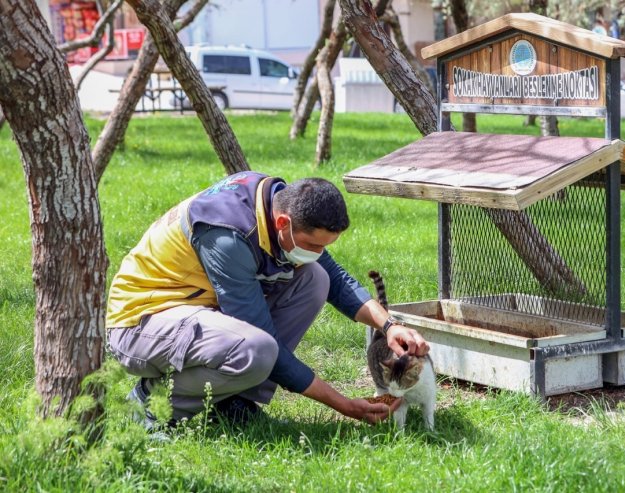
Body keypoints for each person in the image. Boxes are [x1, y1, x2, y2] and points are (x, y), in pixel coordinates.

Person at [106, 171, 430, 428]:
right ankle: (149, 404)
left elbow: (335, 278)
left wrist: (388, 325)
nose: (318, 253)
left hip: (194, 310)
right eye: (313, 245)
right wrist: (343, 404)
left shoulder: (277, 202)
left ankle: (234, 401)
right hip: (140, 322)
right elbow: (269, 349)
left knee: (315, 278)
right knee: (257, 351)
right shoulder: (228, 238)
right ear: (283, 224)